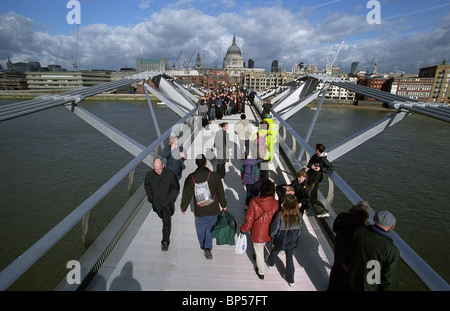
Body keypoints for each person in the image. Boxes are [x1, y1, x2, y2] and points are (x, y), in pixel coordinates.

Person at [180, 154, 227, 259]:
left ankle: (202, 244)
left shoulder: (191, 177)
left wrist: (184, 207)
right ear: (206, 163)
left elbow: (186, 194)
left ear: (196, 164)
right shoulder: (214, 176)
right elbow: (220, 192)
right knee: (210, 226)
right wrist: (223, 205)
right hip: (213, 207)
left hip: (199, 208)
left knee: (201, 226)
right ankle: (207, 247)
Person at [347, 210, 400, 291]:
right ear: (392, 226)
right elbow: (389, 282)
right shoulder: (392, 250)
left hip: (352, 281)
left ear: (374, 218)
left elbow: (348, 252)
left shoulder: (358, 232)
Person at [327, 201, 370, 291]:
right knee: (344, 279)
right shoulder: (359, 230)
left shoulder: (342, 219)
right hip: (347, 260)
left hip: (338, 253)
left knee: (335, 273)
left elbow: (335, 228)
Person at [240, 179, 278, 280]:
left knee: (259, 251)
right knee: (262, 246)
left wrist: (243, 229)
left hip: (258, 233)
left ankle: (261, 272)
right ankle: (257, 256)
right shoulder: (276, 203)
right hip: (269, 232)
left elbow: (249, 221)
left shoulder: (254, 202)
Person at [144, 158, 180, 251]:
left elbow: (176, 188)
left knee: (166, 222)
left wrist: (170, 200)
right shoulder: (149, 176)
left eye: (159, 168)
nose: (158, 171)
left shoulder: (170, 175)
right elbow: (147, 187)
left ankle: (165, 241)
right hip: (157, 204)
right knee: (162, 218)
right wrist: (151, 198)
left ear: (163, 165)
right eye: (156, 169)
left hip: (166, 204)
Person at [267, 194, 302, 287]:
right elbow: (299, 229)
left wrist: (273, 237)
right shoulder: (299, 215)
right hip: (292, 239)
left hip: (281, 238)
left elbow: (274, 228)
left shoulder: (280, 214)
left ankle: (270, 263)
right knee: (289, 258)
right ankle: (290, 279)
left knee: (275, 251)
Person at [305, 144, 334, 218]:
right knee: (310, 193)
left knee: (312, 195)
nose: (315, 149)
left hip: (315, 179)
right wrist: (311, 166)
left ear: (318, 150)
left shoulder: (323, 159)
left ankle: (323, 211)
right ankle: (317, 209)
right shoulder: (315, 156)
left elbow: (331, 167)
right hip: (310, 177)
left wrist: (320, 169)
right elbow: (309, 164)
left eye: (316, 148)